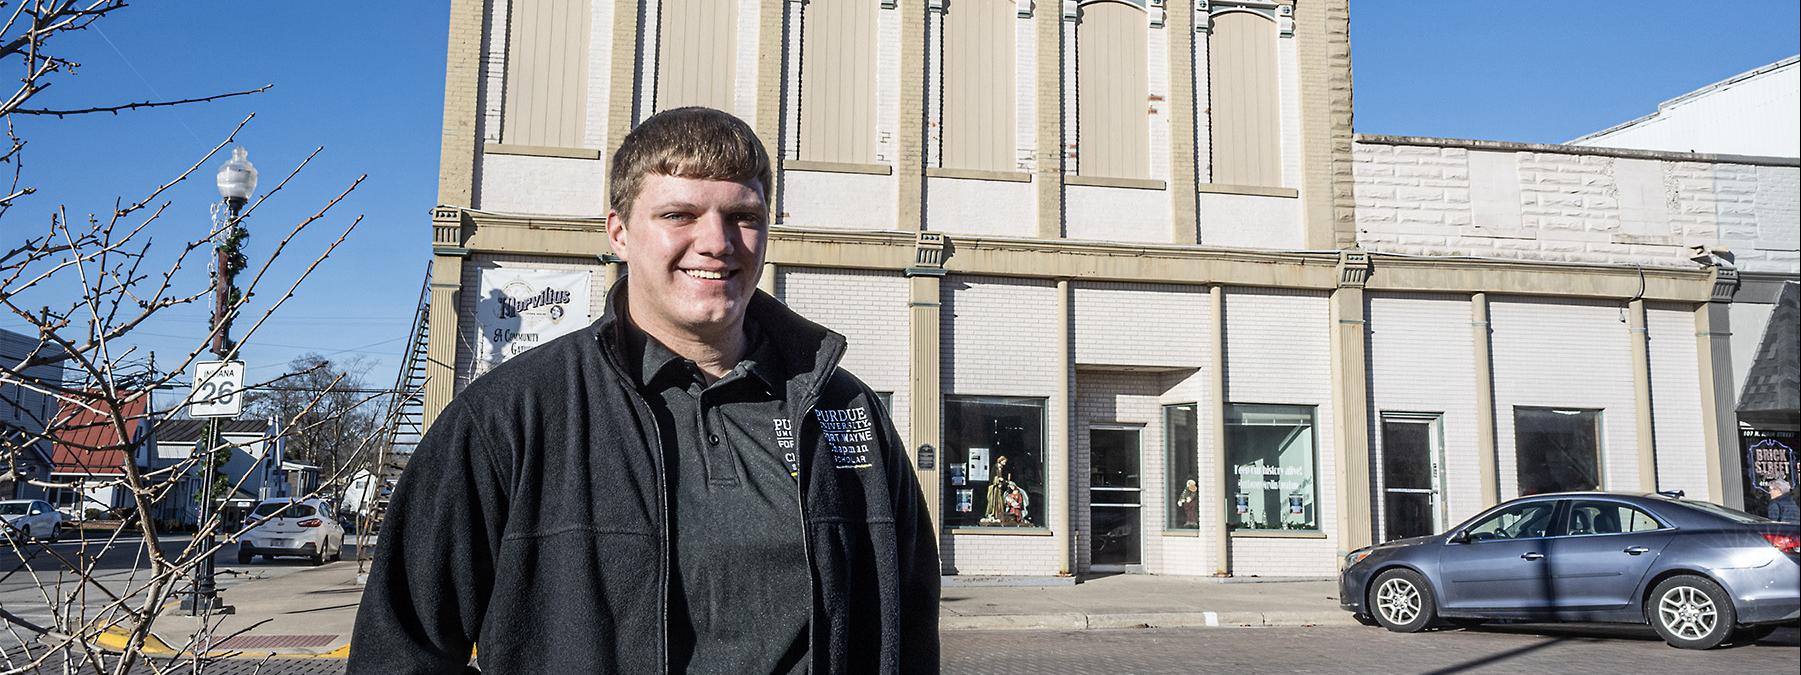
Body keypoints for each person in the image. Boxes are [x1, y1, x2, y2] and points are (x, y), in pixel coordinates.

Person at [350, 107, 940, 674]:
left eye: (744, 216)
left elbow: (909, 629)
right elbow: (403, 651)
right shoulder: (508, 418)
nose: (717, 242)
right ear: (619, 233)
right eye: (680, 215)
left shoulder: (845, 411)